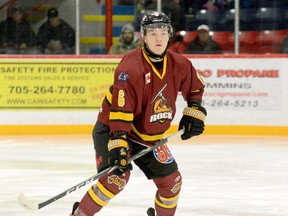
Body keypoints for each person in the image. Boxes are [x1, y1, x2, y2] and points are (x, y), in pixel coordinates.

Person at [70, 11, 207, 216]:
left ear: (170, 34)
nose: (158, 38)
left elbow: (195, 88)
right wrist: (119, 143)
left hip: (148, 136)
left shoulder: (181, 65)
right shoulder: (130, 68)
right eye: (152, 33)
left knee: (172, 183)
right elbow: (120, 110)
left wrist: (193, 112)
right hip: (112, 129)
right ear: (143, 36)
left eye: (163, 32)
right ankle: (80, 214)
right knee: (116, 179)